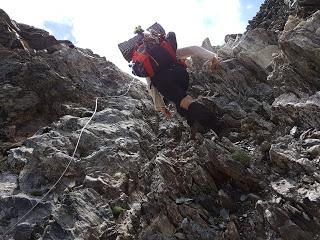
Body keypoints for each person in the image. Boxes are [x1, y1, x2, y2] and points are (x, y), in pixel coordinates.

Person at [120, 25, 239, 135]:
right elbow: (193, 49)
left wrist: (161, 107)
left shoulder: (146, 63)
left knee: (186, 102)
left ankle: (218, 126)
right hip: (181, 75)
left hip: (164, 82)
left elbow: (151, 86)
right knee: (180, 103)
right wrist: (212, 57)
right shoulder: (167, 48)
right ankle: (195, 125)